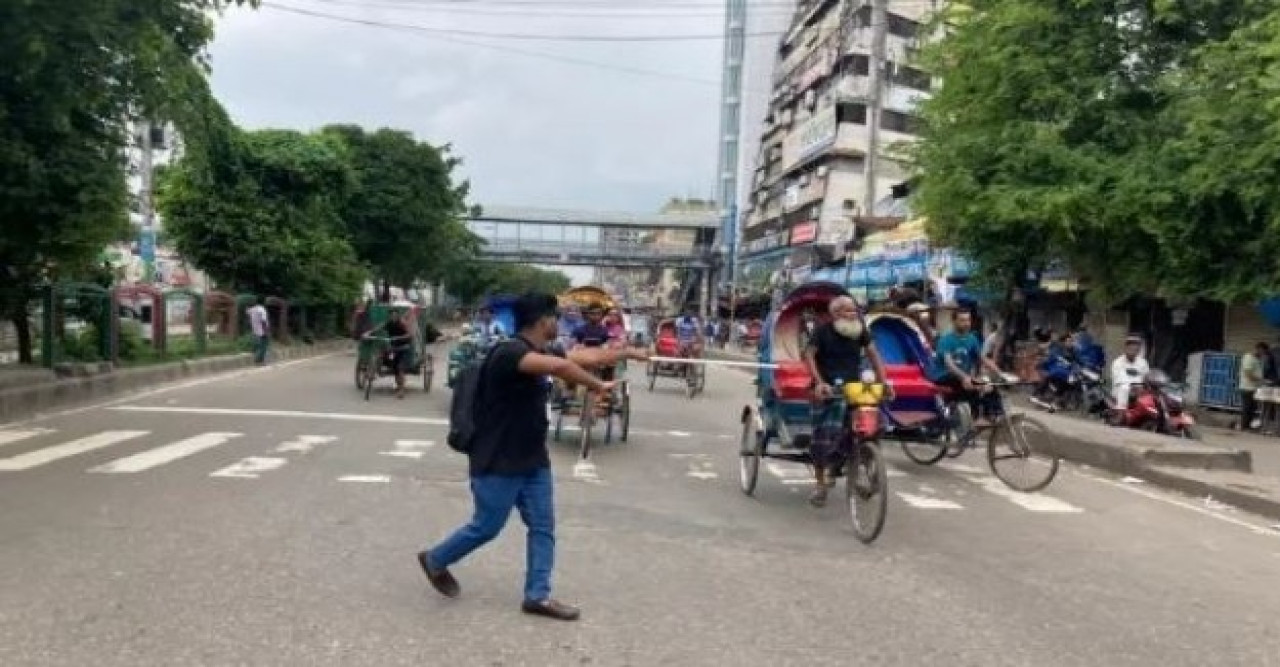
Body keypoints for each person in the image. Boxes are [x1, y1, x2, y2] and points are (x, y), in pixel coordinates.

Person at [419, 293, 648, 621]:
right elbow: (561, 366)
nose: (560, 323)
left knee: (543, 525)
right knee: (486, 526)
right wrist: (598, 386)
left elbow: (582, 355)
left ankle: (537, 595)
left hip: (532, 459)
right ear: (543, 321)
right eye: (556, 318)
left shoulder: (542, 350)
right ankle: (435, 559)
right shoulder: (509, 353)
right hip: (498, 458)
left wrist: (627, 352)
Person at [802, 296, 891, 508]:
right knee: (822, 437)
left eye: (855, 311)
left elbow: (874, 354)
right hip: (827, 388)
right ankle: (821, 484)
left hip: (854, 388)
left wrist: (885, 381)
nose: (854, 314)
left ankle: (868, 461)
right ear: (836, 314)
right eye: (848, 311)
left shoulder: (860, 331)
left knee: (875, 422)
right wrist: (820, 382)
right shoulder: (822, 332)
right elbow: (809, 355)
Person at [927, 310, 1004, 431]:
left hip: (961, 377)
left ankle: (993, 415)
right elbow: (949, 364)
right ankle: (975, 418)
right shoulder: (946, 340)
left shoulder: (972, 339)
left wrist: (1000, 372)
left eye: (968, 320)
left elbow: (982, 358)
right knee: (974, 386)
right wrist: (965, 377)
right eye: (962, 320)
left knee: (990, 385)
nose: (966, 323)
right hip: (944, 377)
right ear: (954, 322)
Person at [367, 308, 414, 399]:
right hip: (393, 348)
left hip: (403, 348)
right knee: (382, 355)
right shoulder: (389, 323)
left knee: (400, 368)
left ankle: (401, 390)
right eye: (391, 315)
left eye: (395, 315)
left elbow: (410, 334)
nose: (393, 316)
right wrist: (369, 333)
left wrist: (399, 337)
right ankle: (372, 371)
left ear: (398, 316)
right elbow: (378, 328)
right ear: (390, 316)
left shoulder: (402, 324)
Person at [1110, 335, 1151, 409]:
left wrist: (1144, 386)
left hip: (1139, 389)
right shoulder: (1117, 362)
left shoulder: (1143, 362)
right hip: (1121, 390)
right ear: (1126, 348)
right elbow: (1119, 380)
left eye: (1136, 346)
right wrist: (1133, 386)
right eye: (1130, 345)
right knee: (1124, 388)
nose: (1133, 348)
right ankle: (1121, 413)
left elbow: (1147, 377)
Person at [1238, 343, 1268, 431]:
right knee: (1247, 408)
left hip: (1254, 388)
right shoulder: (1248, 358)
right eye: (1263, 351)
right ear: (1259, 349)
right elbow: (1248, 373)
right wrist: (1261, 380)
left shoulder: (1257, 359)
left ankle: (1248, 426)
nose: (1263, 354)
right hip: (1247, 387)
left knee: (1252, 408)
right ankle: (1244, 426)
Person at [247, 296, 270, 365]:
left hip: (254, 330)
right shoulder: (261, 309)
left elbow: (247, 314)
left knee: (257, 345)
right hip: (262, 330)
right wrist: (266, 330)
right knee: (263, 346)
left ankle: (258, 359)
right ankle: (259, 360)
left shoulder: (251, 310)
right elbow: (263, 320)